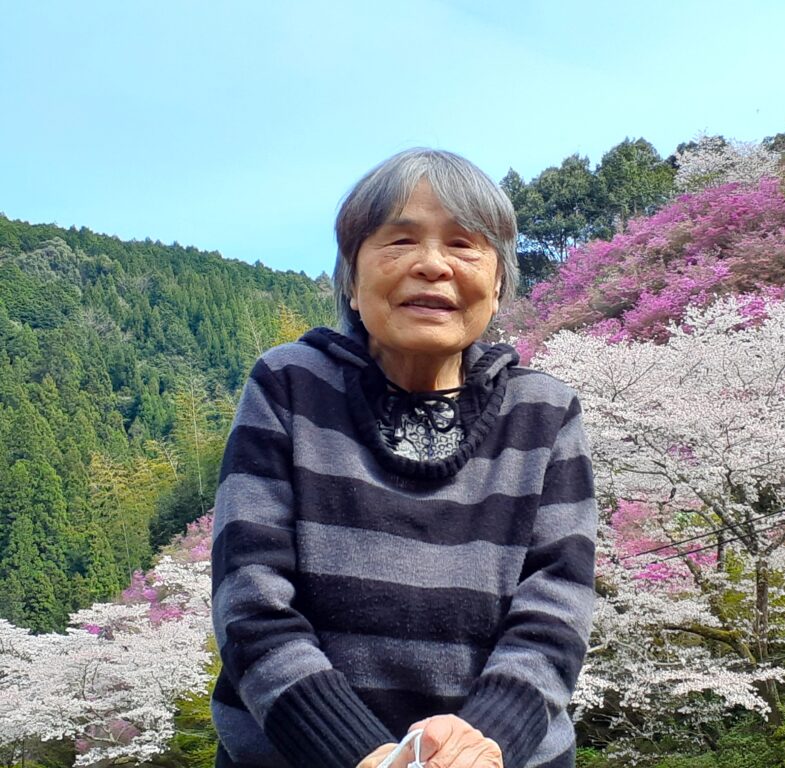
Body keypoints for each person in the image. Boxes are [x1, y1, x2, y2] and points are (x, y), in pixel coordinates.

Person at [211, 148, 597, 768]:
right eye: (400, 240)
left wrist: (480, 744)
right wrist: (361, 754)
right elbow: (251, 598)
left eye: (464, 244)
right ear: (351, 277)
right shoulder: (290, 385)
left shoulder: (544, 410)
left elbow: (557, 606)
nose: (433, 265)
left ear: (499, 282)